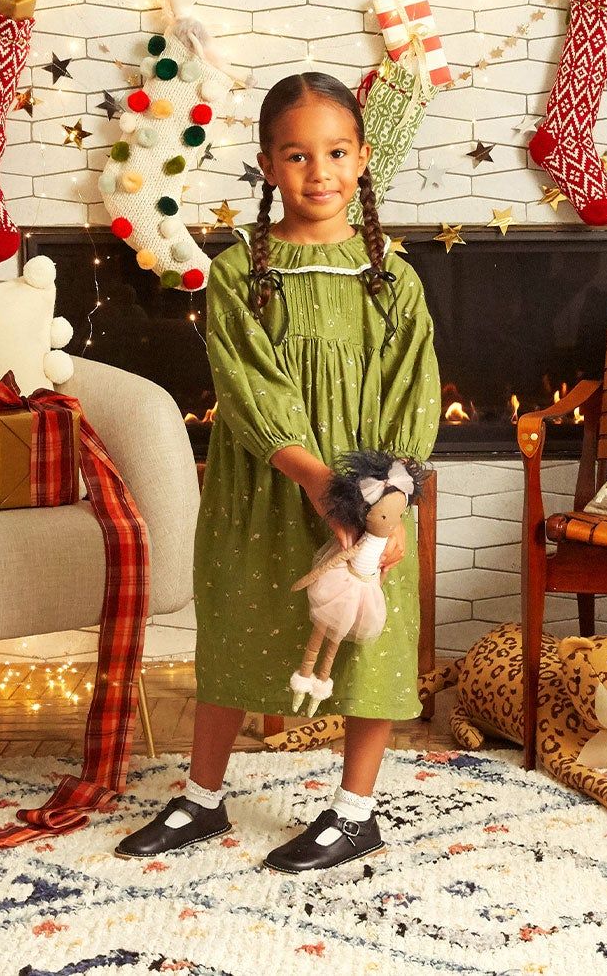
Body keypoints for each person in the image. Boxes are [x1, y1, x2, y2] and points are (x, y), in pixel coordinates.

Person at [116, 71, 439, 873]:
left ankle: (355, 811)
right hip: (266, 482)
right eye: (297, 155)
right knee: (233, 624)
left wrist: (382, 501)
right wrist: (311, 478)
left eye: (335, 152)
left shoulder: (392, 277)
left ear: (363, 158)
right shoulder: (237, 274)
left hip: (369, 496)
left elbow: (415, 391)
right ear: (267, 165)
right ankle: (201, 797)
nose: (319, 172)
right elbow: (249, 387)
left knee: (366, 637)